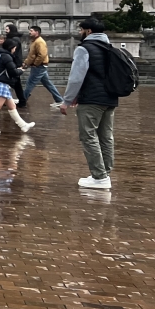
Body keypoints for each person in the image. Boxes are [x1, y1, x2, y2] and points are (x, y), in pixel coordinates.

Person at [60, 17, 119, 189]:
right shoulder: (109, 48)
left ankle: (99, 177)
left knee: (88, 136)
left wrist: (67, 100)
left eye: (81, 29)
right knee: (106, 136)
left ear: (89, 31)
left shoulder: (84, 49)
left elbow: (76, 77)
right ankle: (105, 173)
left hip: (92, 99)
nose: (79, 32)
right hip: (110, 98)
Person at [0, 43, 35, 136]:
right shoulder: (6, 57)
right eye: (14, 48)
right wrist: (20, 70)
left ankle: (23, 125)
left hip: (2, 84)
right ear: (12, 48)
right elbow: (13, 72)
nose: (15, 50)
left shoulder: (0, 55)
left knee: (12, 106)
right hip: (2, 84)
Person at [23, 25, 64, 105]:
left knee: (30, 83)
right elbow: (32, 55)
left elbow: (42, 55)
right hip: (40, 66)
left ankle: (23, 99)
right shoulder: (35, 41)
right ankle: (59, 100)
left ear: (37, 32)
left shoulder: (39, 41)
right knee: (48, 84)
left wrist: (35, 64)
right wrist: (26, 63)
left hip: (39, 66)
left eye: (31, 31)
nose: (29, 32)